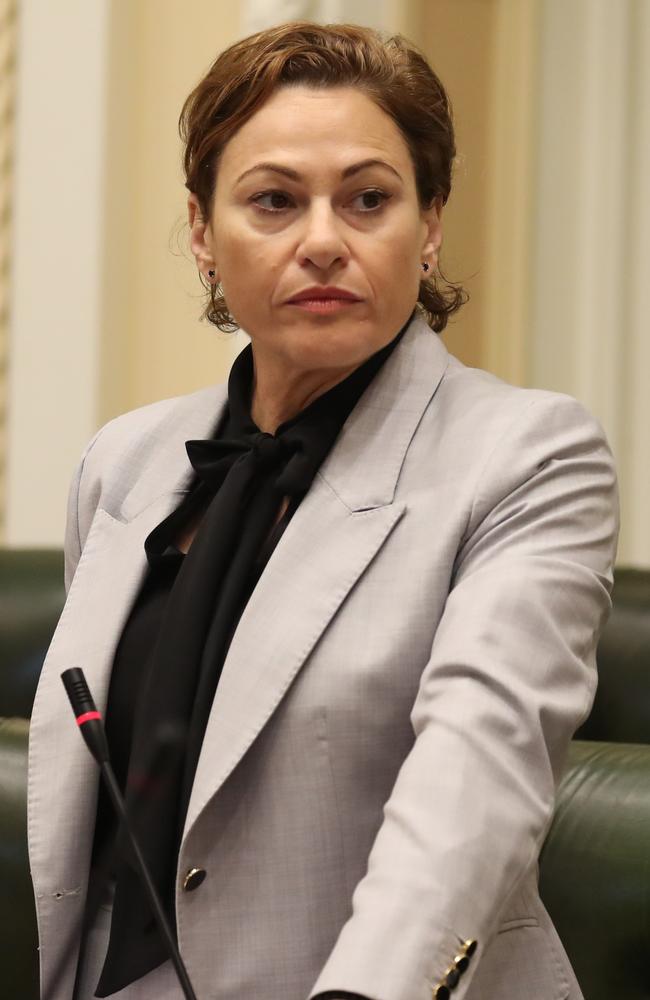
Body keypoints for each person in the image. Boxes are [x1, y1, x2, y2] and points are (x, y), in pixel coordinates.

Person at [28, 19, 618, 1000]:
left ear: (427, 225)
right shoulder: (122, 463)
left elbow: (474, 783)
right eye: (271, 201)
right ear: (201, 231)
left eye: (367, 199)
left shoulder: (526, 454)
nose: (320, 241)